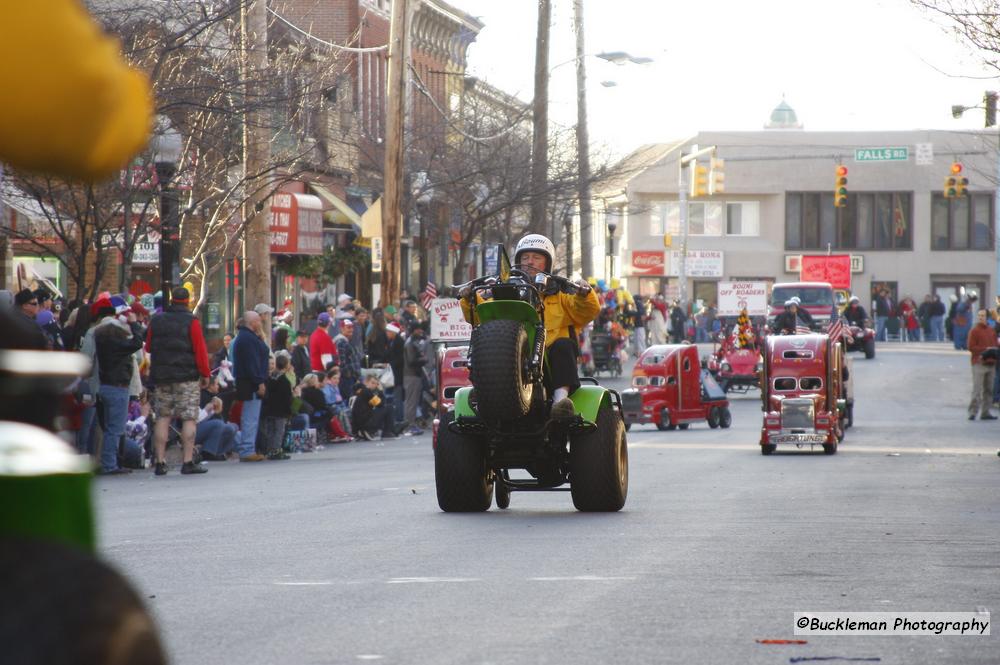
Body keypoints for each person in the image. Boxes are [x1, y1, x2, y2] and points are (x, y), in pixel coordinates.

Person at [460, 234, 600, 421]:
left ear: (547, 263)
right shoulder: (505, 292)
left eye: (536, 257)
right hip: (508, 361)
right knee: (484, 344)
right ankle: (483, 393)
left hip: (549, 365)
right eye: (525, 258)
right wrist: (469, 297)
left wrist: (585, 294)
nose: (529, 262)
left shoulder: (560, 292)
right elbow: (481, 316)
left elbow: (586, 312)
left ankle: (560, 402)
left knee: (564, 345)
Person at [144, 286, 211, 475]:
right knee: (189, 417)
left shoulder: (157, 321)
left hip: (162, 377)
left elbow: (148, 347)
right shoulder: (192, 322)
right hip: (187, 378)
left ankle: (159, 462)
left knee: (163, 418)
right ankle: (187, 461)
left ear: (172, 300)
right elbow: (200, 350)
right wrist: (205, 374)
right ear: (188, 301)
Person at [94, 301, 145, 475]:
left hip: (105, 387)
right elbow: (138, 342)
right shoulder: (117, 345)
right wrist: (133, 323)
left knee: (110, 428)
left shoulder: (103, 342)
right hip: (117, 388)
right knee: (115, 429)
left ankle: (110, 461)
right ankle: (110, 464)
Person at [231, 311, 269, 462]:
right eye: (258, 321)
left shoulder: (248, 337)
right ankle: (247, 449)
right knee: (250, 417)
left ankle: (248, 447)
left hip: (250, 382)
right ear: (252, 322)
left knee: (251, 416)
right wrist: (259, 382)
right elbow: (251, 363)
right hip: (250, 384)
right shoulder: (247, 339)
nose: (260, 323)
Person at [259, 355, 293, 460]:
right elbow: (288, 398)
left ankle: (269, 449)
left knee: (270, 430)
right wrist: (290, 412)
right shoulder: (285, 381)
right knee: (279, 431)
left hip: (269, 409)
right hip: (280, 411)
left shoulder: (270, 378)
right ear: (287, 365)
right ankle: (276, 450)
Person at [196, 377, 238, 461]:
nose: (218, 386)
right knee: (218, 424)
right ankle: (208, 452)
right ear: (210, 386)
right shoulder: (201, 396)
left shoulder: (214, 397)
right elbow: (197, 419)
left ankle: (218, 452)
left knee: (233, 427)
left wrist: (212, 411)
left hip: (205, 425)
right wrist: (207, 409)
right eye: (216, 384)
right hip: (193, 429)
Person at [967, 309, 998, 420]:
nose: (981, 317)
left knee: (989, 389)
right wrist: (985, 350)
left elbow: (996, 345)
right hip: (979, 363)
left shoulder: (991, 331)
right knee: (977, 389)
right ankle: (973, 412)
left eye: (983, 315)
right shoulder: (974, 331)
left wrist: (993, 351)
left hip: (991, 363)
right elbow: (971, 347)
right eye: (979, 315)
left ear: (987, 317)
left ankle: (985, 412)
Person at [351, 374, 398, 440]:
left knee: (383, 409)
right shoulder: (366, 391)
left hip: (359, 424)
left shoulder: (360, 391)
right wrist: (381, 391)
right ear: (366, 382)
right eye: (372, 383)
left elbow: (377, 404)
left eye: (376, 384)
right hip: (364, 424)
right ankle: (387, 432)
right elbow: (381, 404)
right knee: (389, 408)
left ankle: (393, 430)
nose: (374, 385)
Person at [403, 322, 429, 434]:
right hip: (412, 375)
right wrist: (424, 360)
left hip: (413, 375)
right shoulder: (410, 343)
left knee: (412, 402)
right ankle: (410, 425)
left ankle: (411, 424)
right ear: (414, 330)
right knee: (411, 402)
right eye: (418, 330)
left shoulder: (412, 342)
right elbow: (411, 360)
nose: (421, 331)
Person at [334, 318, 361, 397]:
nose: (351, 329)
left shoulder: (347, 341)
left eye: (352, 327)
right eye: (348, 327)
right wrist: (349, 374)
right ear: (342, 328)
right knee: (348, 399)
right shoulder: (340, 342)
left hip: (351, 378)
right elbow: (341, 361)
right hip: (346, 379)